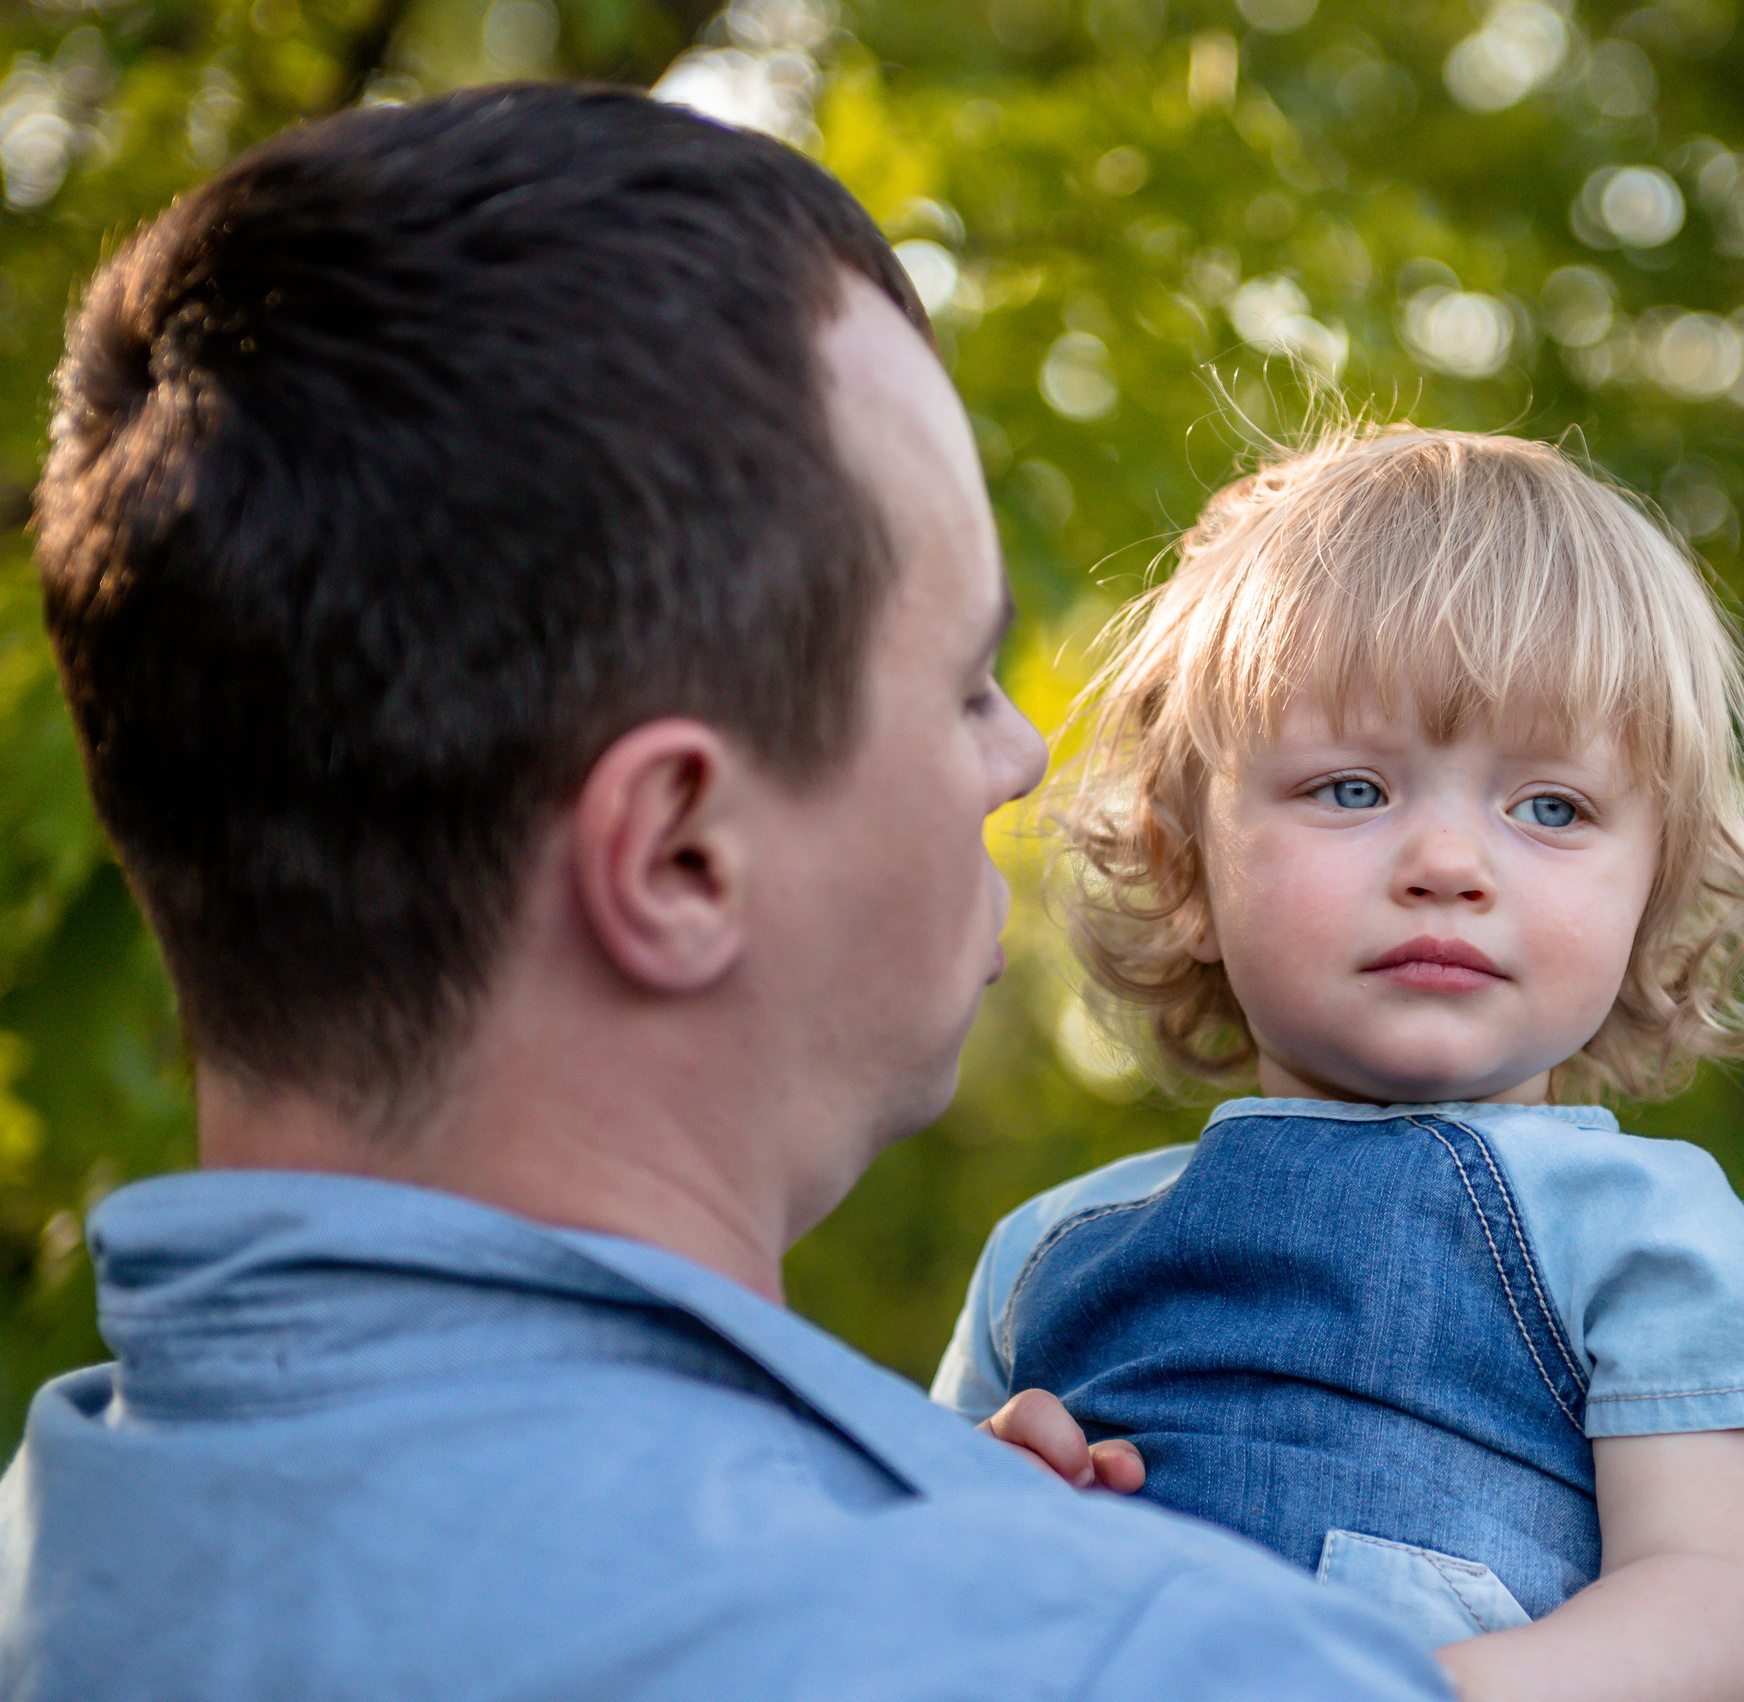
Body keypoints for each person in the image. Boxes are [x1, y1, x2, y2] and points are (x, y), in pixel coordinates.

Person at [0, 84, 1456, 1700]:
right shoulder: (1152, 1662)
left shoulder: (48, 1571)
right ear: (682, 854)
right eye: (968, 679)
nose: (1024, 755)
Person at [932, 427, 1744, 1702]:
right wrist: (979, 1502)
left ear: (1653, 892)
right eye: (1352, 790)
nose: (1449, 862)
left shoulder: (1661, 1254)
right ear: (1187, 866)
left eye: (1551, 808)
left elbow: (1727, 1628)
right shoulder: (1051, 1254)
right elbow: (893, 1606)